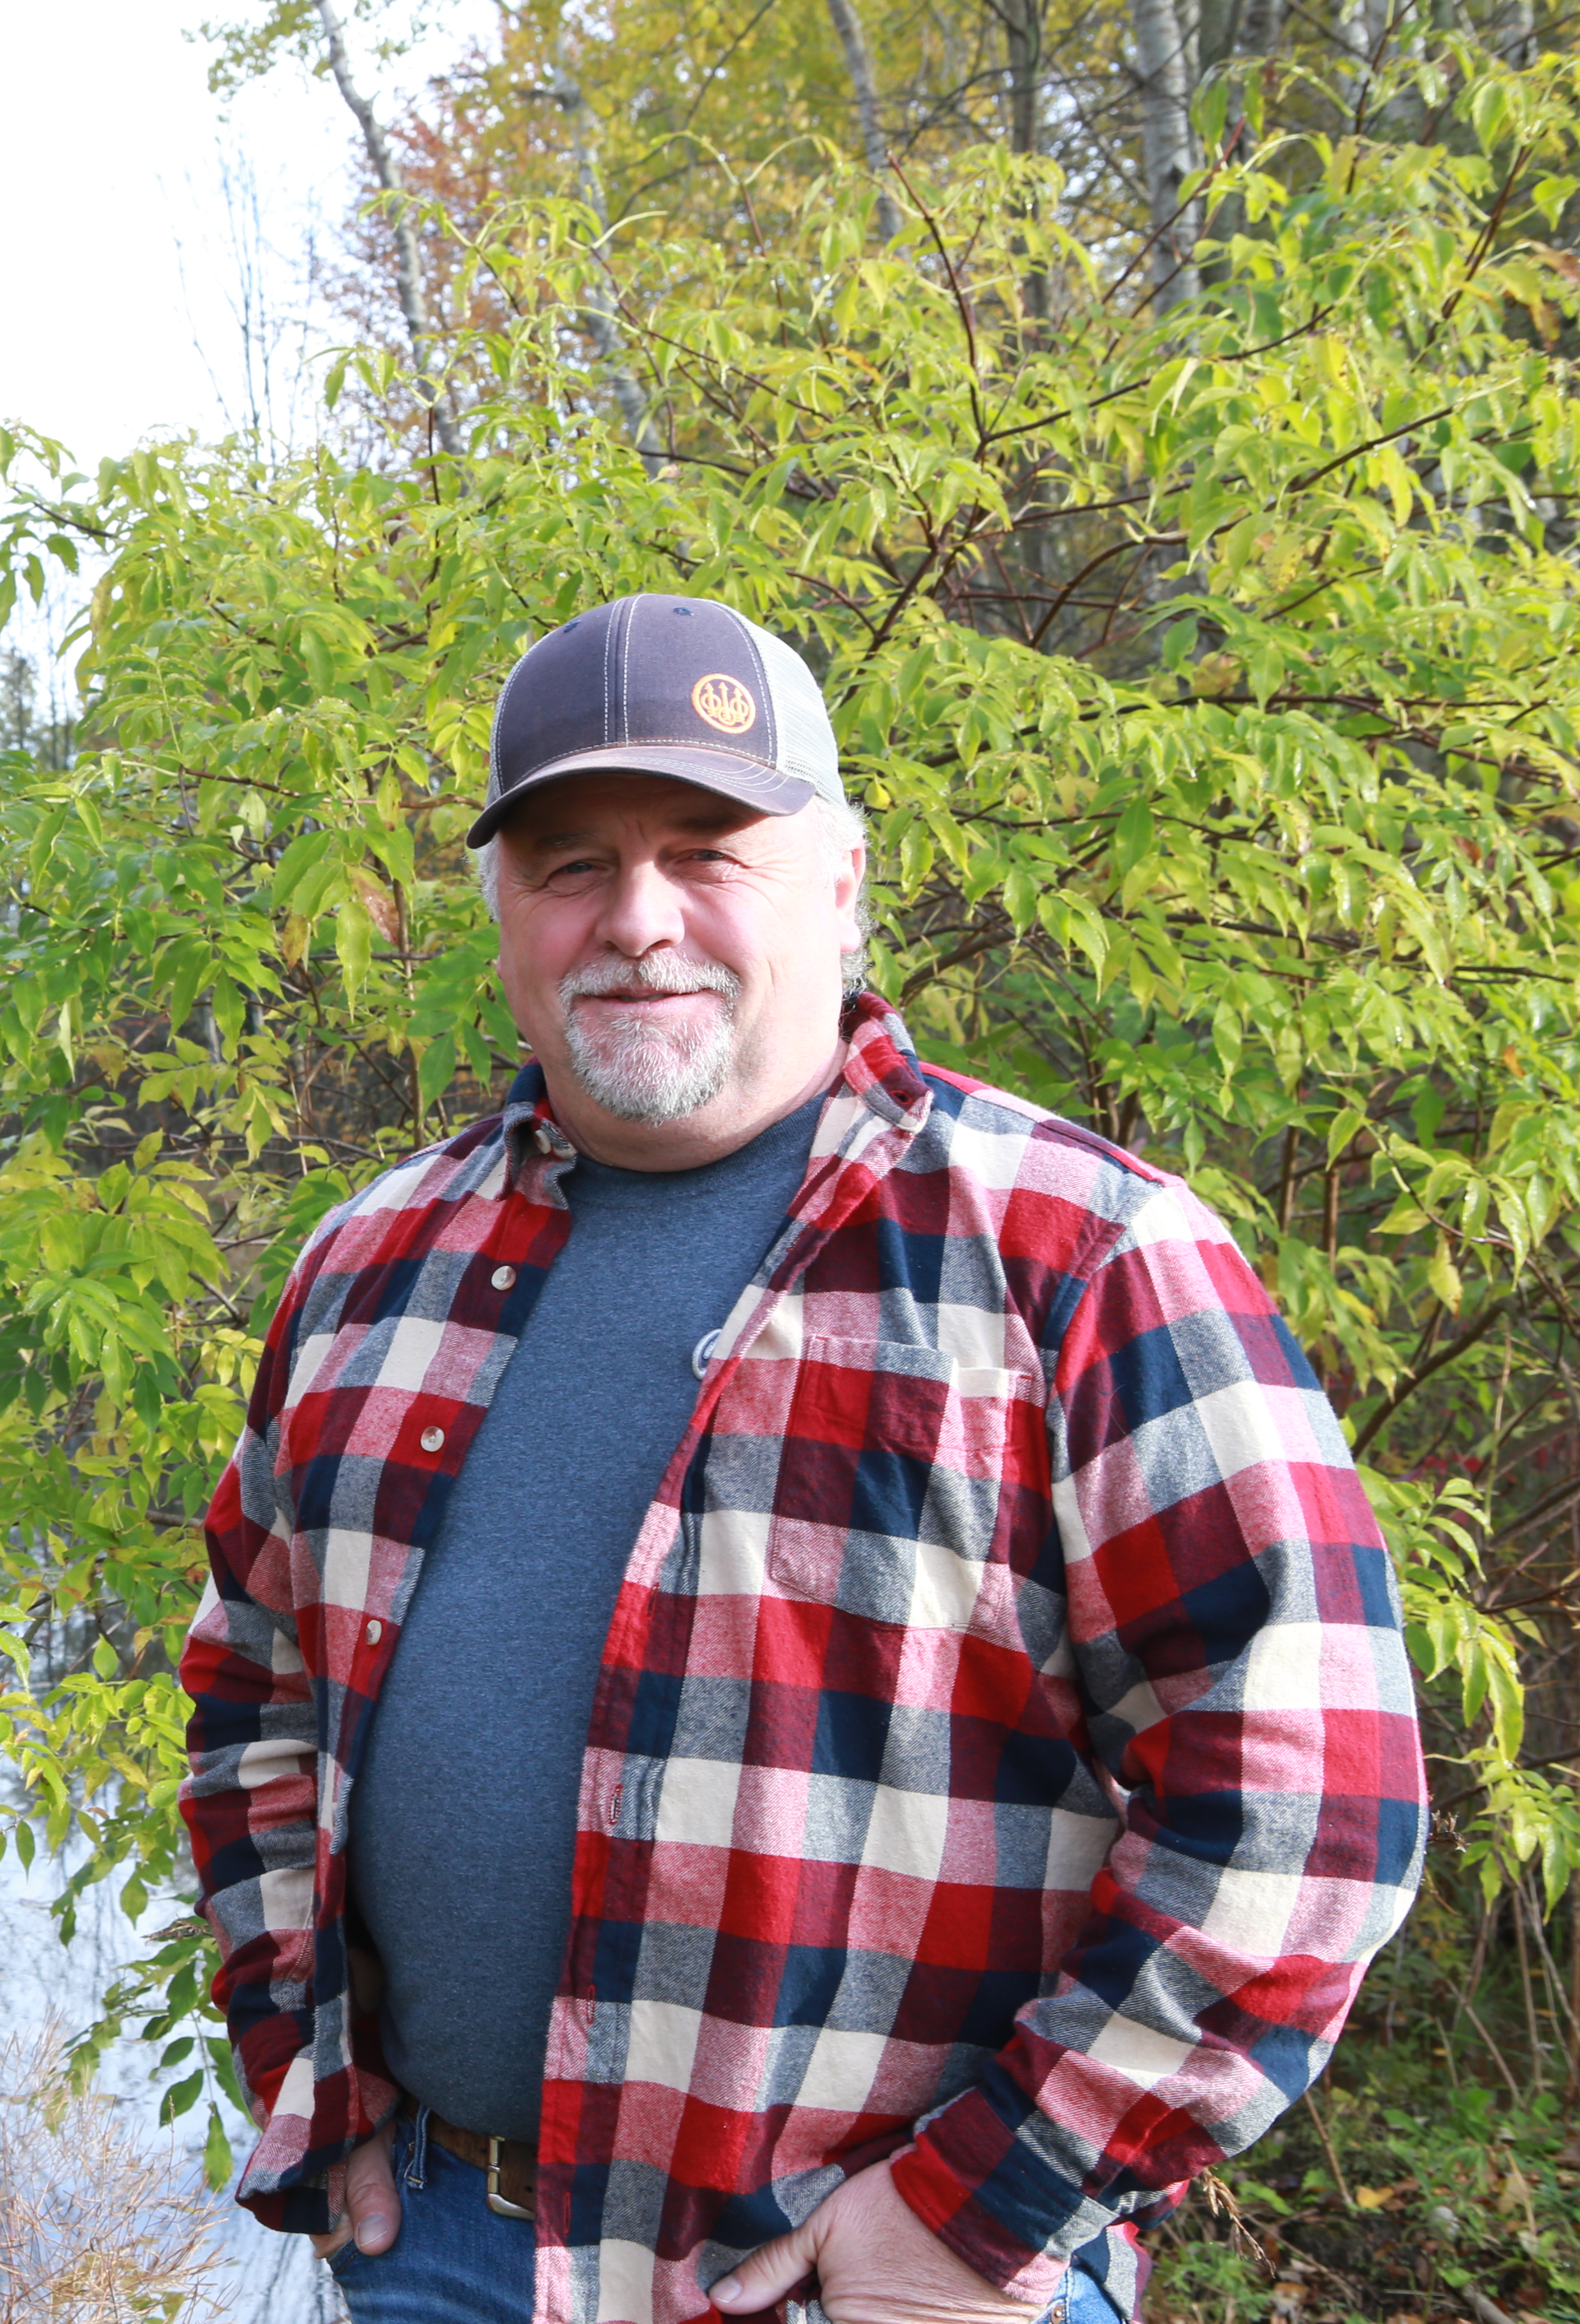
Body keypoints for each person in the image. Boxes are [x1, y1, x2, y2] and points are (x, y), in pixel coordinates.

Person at [178, 592, 1425, 2324]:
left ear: (839, 882)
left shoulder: (1088, 1259)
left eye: (709, 853)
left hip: (866, 2281)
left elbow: (1310, 1811)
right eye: (570, 865)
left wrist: (990, 2208)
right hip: (445, 2248)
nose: (637, 920)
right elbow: (254, 1703)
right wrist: (308, 2092)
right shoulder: (367, 1265)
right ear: (503, 917)